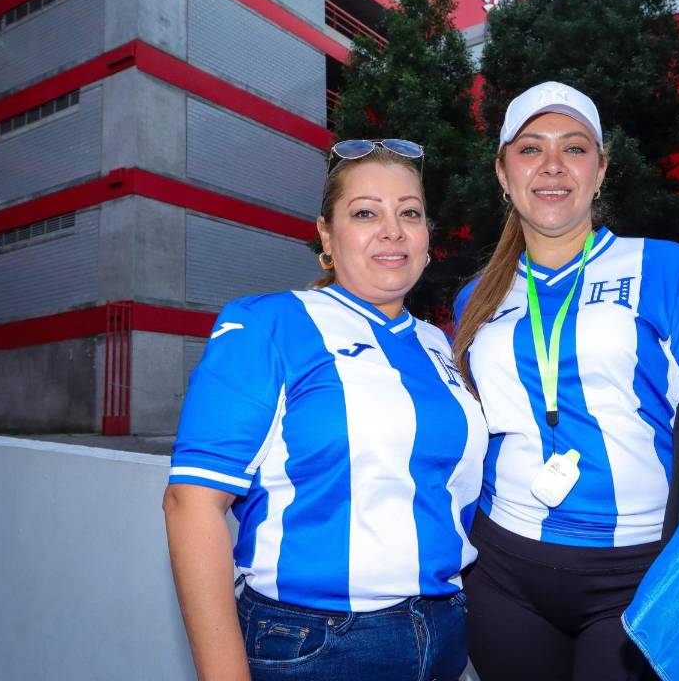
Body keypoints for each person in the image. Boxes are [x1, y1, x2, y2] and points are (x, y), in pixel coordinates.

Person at [163, 141, 486, 681]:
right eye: (366, 213)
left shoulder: (441, 346)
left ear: (428, 238)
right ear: (327, 236)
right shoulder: (269, 323)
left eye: (410, 212)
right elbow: (189, 505)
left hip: (446, 633)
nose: (393, 229)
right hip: (315, 644)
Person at [452, 82, 679, 680]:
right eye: (530, 150)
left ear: (600, 171)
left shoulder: (666, 268)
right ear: (503, 173)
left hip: (637, 569)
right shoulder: (476, 298)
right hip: (503, 568)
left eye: (574, 149)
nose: (552, 165)